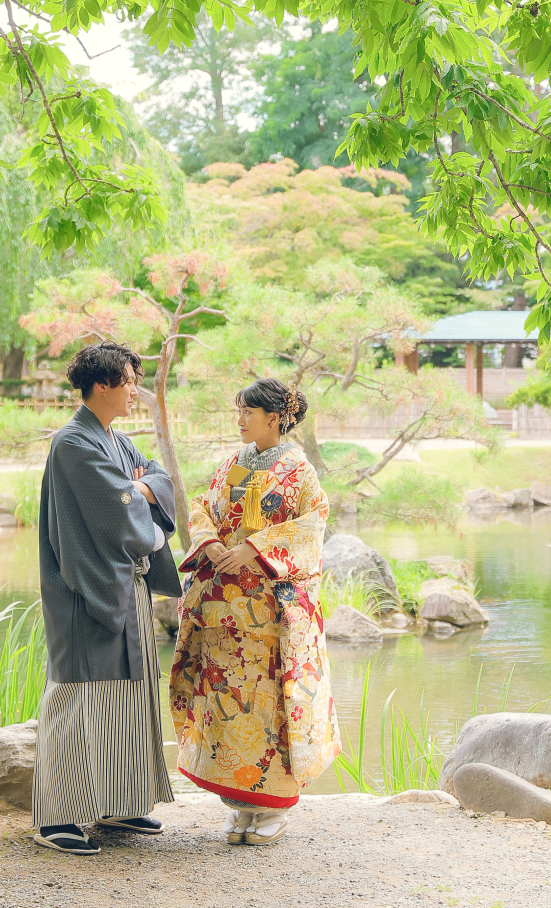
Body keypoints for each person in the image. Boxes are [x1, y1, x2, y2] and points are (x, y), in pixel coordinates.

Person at [169, 377, 340, 846]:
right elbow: (203, 508)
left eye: (248, 412)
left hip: (269, 611)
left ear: (275, 417)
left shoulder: (298, 470)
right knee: (226, 703)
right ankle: (239, 804)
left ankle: (272, 808)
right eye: (238, 410)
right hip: (225, 608)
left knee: (269, 704)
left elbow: (311, 525)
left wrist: (254, 549)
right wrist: (211, 542)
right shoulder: (233, 463)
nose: (240, 419)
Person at [32, 341, 181, 855]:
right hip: (85, 587)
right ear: (103, 386)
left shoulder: (112, 440)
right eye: (130, 382)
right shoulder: (73, 443)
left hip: (124, 585)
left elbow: (160, 479)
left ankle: (119, 802)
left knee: (128, 696)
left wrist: (139, 487)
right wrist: (136, 491)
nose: (135, 391)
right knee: (77, 698)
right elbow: (118, 511)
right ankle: (56, 816)